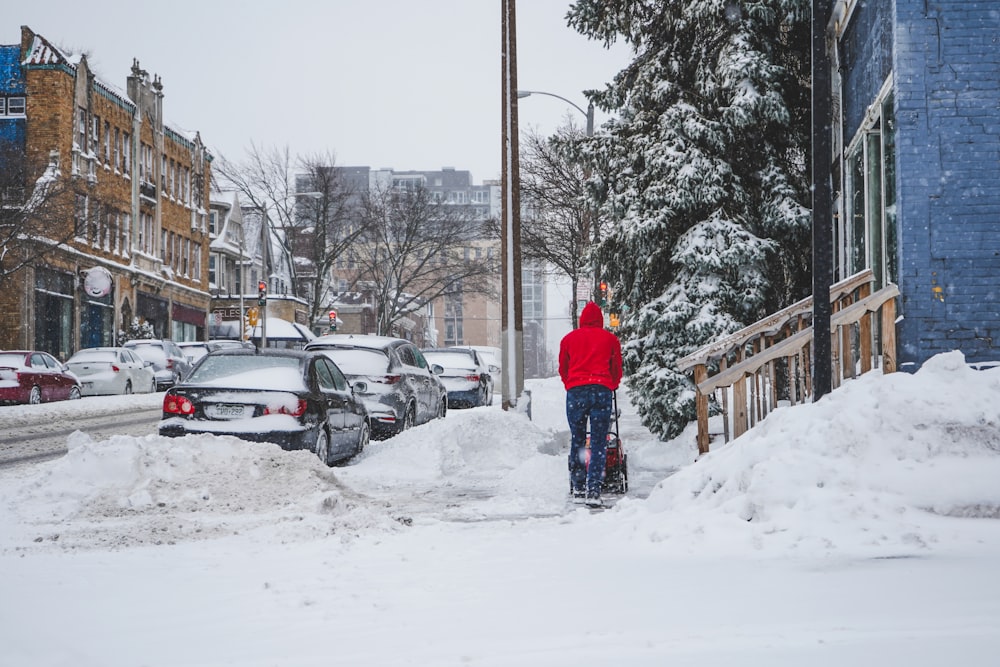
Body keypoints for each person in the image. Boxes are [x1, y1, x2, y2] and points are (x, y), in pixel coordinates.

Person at [558, 300, 623, 508]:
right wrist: (611, 383)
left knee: (578, 439)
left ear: (582, 320)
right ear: (600, 320)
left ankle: (577, 486)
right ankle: (593, 489)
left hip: (576, 393)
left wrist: (571, 383)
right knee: (598, 442)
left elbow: (563, 368)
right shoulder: (610, 339)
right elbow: (616, 368)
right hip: (601, 391)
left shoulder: (568, 340)